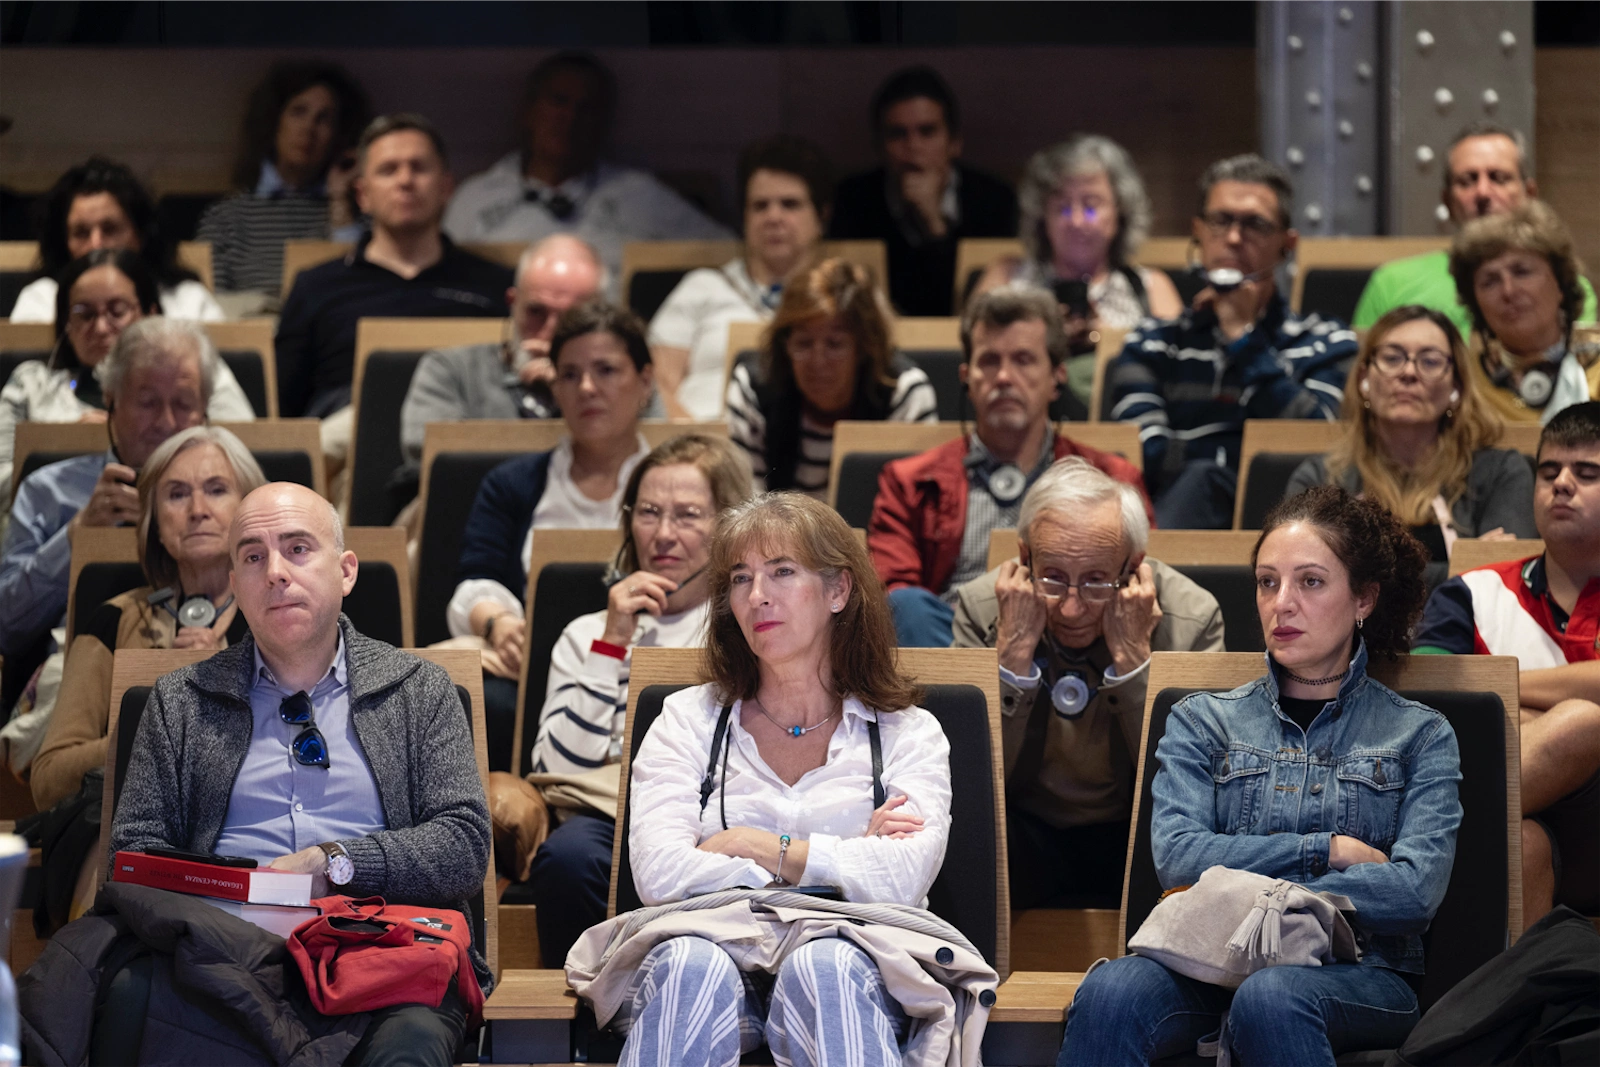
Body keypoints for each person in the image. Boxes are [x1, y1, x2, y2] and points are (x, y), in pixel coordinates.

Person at [1061, 485, 1460, 1065]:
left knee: (1271, 996)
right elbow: (1177, 856)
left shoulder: (1419, 734)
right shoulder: (1203, 720)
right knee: (1109, 991)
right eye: (1268, 582)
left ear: (1365, 599)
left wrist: (1254, 882)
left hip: (1363, 972)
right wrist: (1329, 849)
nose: (1282, 603)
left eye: (1311, 582)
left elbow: (1413, 893)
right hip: (1211, 954)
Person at [99, 480, 490, 1066]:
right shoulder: (180, 702)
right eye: (253, 557)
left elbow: (463, 844)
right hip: (221, 958)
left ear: (346, 572)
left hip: (379, 955)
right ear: (235, 586)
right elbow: (131, 856)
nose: (275, 572)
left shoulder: (419, 691)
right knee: (127, 997)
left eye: (298, 548)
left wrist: (335, 863)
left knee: (408, 1049)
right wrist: (232, 894)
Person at [613, 491, 952, 1066]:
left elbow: (901, 877)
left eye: (783, 572)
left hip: (858, 968)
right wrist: (841, 861)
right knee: (690, 965)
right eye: (741, 578)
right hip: (709, 954)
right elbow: (659, 874)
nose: (758, 596)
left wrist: (749, 844)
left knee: (827, 964)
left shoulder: (907, 732)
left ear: (838, 590)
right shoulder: (687, 719)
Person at [498, 434, 751, 968]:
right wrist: (613, 641)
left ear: (728, 526)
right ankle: (602, 1016)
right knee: (566, 859)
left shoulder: (748, 628)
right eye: (649, 513)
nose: (662, 534)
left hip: (721, 810)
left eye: (687, 515)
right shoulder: (584, 633)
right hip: (608, 810)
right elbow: (557, 766)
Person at [950, 457, 1223, 908]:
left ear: (1133, 567)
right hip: (1025, 826)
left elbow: (1197, 788)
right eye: (1053, 579)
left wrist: (1135, 661)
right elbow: (972, 779)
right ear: (1024, 559)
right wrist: (1013, 655)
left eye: (1097, 583)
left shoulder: (1192, 618)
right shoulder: (983, 610)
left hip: (1139, 830)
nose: (1071, 609)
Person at [870, 286, 1154, 647]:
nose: (1003, 377)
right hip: (953, 643)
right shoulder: (908, 482)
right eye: (989, 361)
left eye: (1023, 360)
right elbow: (892, 597)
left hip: (1070, 642)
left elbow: (1134, 582)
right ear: (966, 377)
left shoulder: (1113, 480)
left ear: (1057, 378)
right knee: (905, 606)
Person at [1414, 400, 1600, 927]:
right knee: (1524, 844)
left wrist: (1498, 690)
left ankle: (1401, 831)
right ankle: (1510, 1010)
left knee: (1582, 723)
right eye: (1549, 471)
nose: (1561, 483)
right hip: (1522, 826)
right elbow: (1430, 702)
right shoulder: (1472, 594)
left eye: (1587, 473)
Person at [448, 300, 654, 771]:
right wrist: (500, 625)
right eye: (570, 374)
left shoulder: (683, 490)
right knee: (480, 700)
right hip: (530, 674)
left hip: (643, 668)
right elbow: (474, 582)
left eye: (606, 370)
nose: (587, 388)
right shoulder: (513, 483)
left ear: (645, 380)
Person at [1103, 153, 1358, 529]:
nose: (1235, 238)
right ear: (1198, 232)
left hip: (1293, 527)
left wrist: (1242, 335)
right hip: (1175, 520)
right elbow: (1142, 456)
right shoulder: (1152, 343)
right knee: (1202, 479)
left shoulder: (1326, 341)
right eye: (1220, 221)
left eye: (1254, 224)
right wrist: (1240, 460)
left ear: (1287, 244)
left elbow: (1318, 445)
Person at [30, 426, 264, 811]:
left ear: (248, 509)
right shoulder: (114, 619)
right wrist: (151, 719)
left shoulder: (282, 614)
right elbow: (48, 781)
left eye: (217, 489)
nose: (198, 510)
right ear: (154, 523)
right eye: (177, 494)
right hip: (137, 831)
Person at [0, 318, 222, 660]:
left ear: (204, 408)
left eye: (182, 404)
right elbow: (6, 627)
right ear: (110, 401)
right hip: (74, 669)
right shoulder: (47, 490)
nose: (166, 422)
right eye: (147, 402)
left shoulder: (239, 492)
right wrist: (77, 535)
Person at [274, 113, 513, 428]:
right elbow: (280, 409)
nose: (405, 180)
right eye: (388, 170)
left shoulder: (496, 284)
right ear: (363, 195)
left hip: (463, 438)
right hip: (345, 445)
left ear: (446, 187)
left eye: (419, 167)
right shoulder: (315, 286)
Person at [1285, 305, 1534, 578]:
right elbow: (1304, 584)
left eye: (1430, 361)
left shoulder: (1501, 474)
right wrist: (1463, 572)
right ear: (1363, 379)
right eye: (1392, 358)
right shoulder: (1319, 481)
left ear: (1457, 387)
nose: (1409, 372)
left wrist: (1360, 578)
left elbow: (1505, 586)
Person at [443, 51, 731, 283]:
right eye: (559, 101)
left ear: (604, 121)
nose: (570, 117)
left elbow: (727, 252)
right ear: (529, 111)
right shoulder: (476, 198)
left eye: (587, 108)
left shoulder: (639, 196)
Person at [0, 251, 254, 511]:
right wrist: (67, 450)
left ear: (149, 313)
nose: (100, 327)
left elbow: (245, 453)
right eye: (84, 314)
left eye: (117, 311)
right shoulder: (30, 383)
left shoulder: (192, 369)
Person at [978, 135, 1183, 405]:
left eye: (1091, 206)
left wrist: (1105, 340)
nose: (1075, 221)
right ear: (1042, 216)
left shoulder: (1151, 287)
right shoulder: (1007, 279)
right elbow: (975, 358)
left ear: (1119, 211)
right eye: (1062, 207)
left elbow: (1181, 374)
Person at [1354, 121, 1597, 338]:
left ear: (1529, 194)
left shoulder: (1559, 283)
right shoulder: (1391, 282)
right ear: (1447, 201)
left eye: (1498, 178)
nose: (1482, 192)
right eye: (1467, 180)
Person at [648, 135, 833, 420]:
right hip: (701, 444)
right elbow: (655, 383)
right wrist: (695, 445)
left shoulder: (843, 296)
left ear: (822, 215)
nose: (773, 217)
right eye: (760, 206)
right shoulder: (702, 288)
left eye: (789, 204)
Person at [726, 258, 936, 498]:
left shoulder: (904, 391)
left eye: (835, 345)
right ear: (784, 344)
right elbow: (744, 507)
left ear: (863, 347)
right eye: (803, 344)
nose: (818, 361)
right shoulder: (752, 388)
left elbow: (918, 507)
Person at [827, 65, 1017, 317]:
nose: (913, 146)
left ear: (954, 142)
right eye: (898, 134)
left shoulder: (995, 200)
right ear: (879, 145)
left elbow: (982, 299)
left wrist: (935, 226)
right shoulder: (852, 200)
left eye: (927, 132)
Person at [400, 234, 606, 463]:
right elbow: (429, 451)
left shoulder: (622, 380)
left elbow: (644, 454)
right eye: (536, 312)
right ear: (512, 303)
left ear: (598, 315)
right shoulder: (451, 370)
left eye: (571, 317)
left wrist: (570, 393)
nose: (551, 332)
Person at [197, 59, 373, 302]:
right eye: (298, 112)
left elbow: (363, 291)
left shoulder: (359, 217)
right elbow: (208, 308)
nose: (309, 129)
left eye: (324, 119)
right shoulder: (226, 218)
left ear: (338, 133)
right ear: (275, 120)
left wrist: (340, 199)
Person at [10, 157, 223, 324]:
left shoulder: (188, 301)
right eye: (81, 233)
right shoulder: (41, 301)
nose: (96, 245)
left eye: (110, 229)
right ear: (64, 242)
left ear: (141, 235)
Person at [1448, 200, 1597, 424]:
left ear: (1560, 284)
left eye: (1522, 272)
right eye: (1490, 281)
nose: (1508, 291)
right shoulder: (1460, 383)